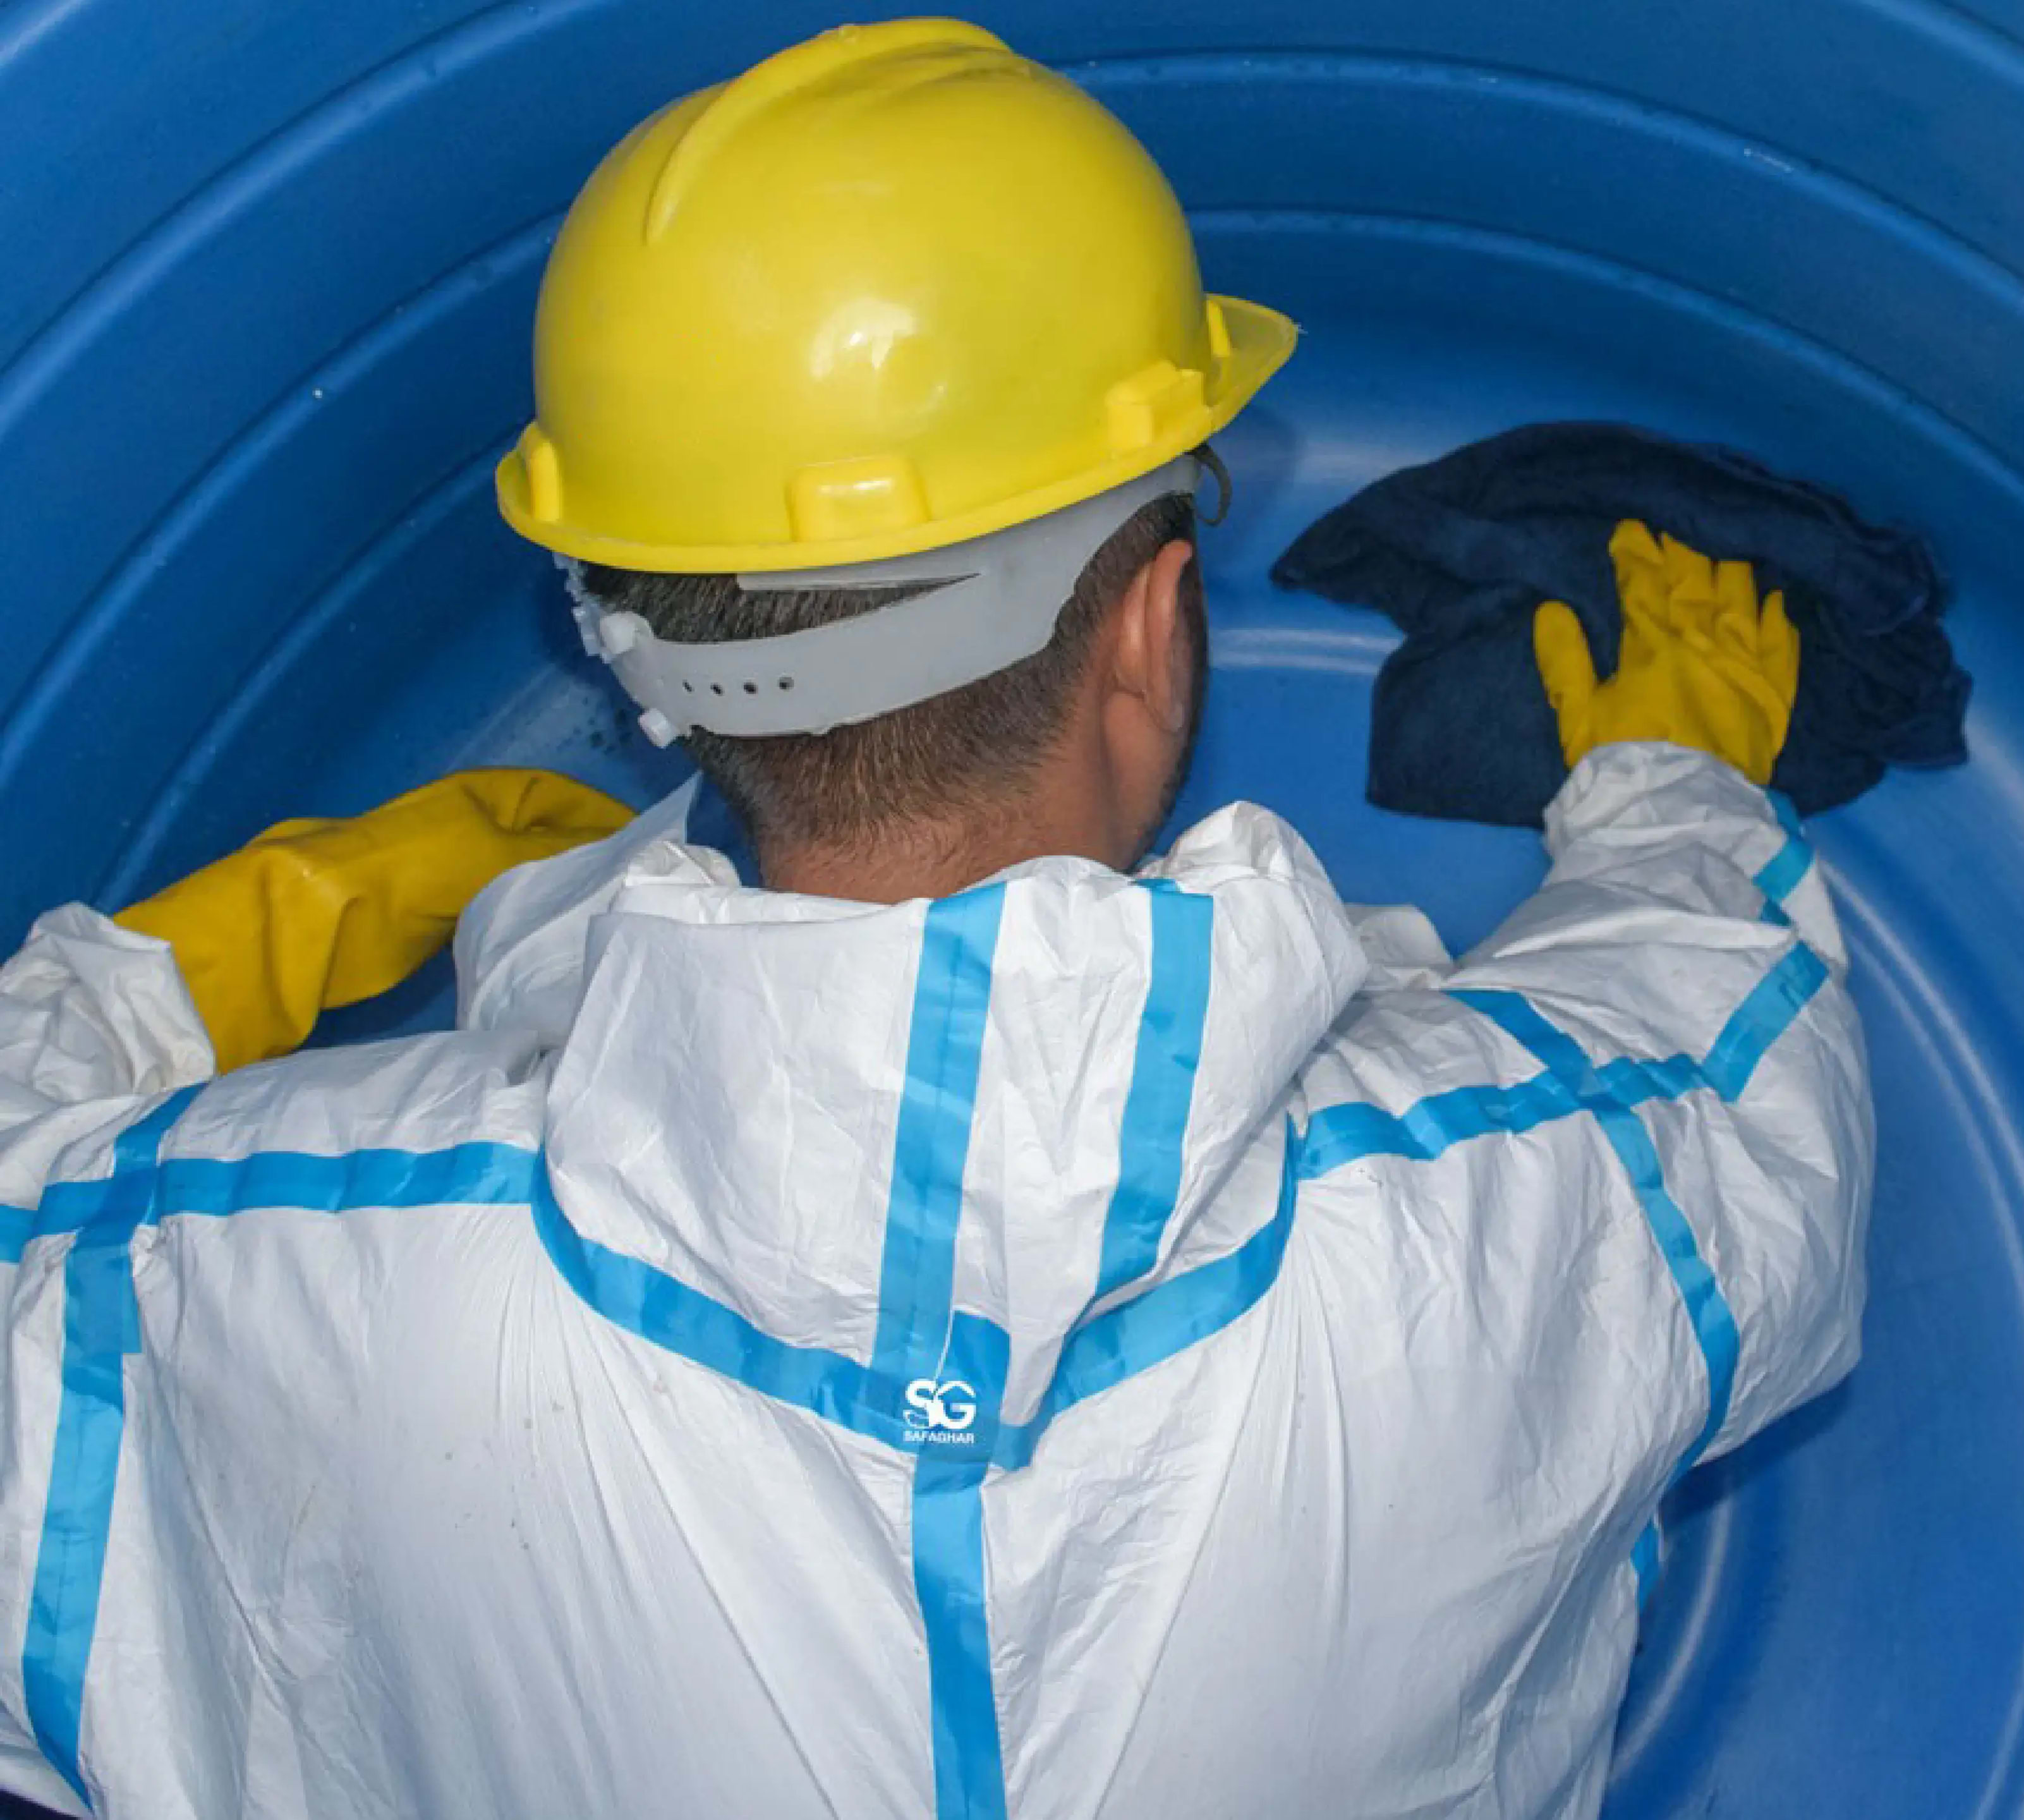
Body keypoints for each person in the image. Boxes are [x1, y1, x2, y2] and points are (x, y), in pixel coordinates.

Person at [0, 20, 1870, 1819]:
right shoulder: (1514, 1205)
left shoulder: (260, 1265)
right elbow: (1737, 1050)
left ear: (651, 656)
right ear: (1146, 620)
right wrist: (1676, 792)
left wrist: (264, 925)